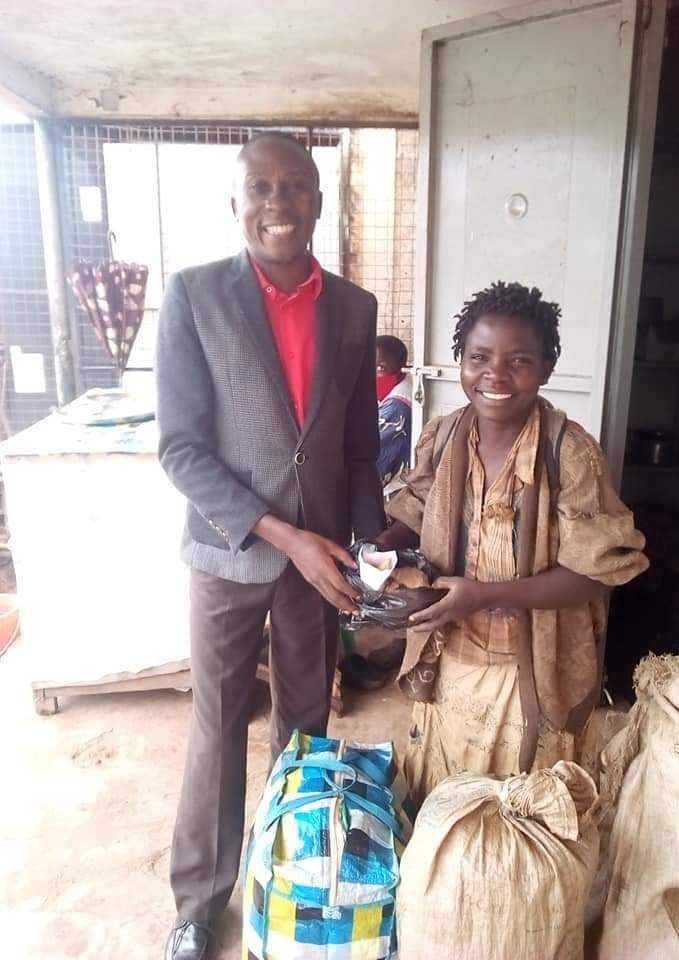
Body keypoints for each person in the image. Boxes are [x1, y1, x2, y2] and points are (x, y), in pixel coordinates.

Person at [156, 132, 385, 960]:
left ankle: (286, 873)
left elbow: (359, 447)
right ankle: (199, 902)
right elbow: (181, 450)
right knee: (218, 724)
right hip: (231, 555)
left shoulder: (354, 308)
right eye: (260, 188)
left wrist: (370, 544)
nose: (278, 203)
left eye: (294, 187)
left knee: (306, 722)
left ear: (318, 201)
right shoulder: (194, 296)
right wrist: (287, 537)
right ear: (236, 203)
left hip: (321, 560)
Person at [376, 281, 648, 806]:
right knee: (446, 800)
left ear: (547, 368)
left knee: (517, 808)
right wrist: (378, 552)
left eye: (519, 361)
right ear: (461, 361)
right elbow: (416, 507)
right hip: (450, 660)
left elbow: (595, 573)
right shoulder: (445, 435)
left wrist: (483, 595)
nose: (495, 375)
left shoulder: (570, 453)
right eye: (479, 358)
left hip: (530, 672)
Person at [375, 334, 412, 488]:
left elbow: (370, 451)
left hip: (394, 492)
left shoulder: (397, 406)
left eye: (380, 368)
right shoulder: (401, 384)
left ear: (400, 368)